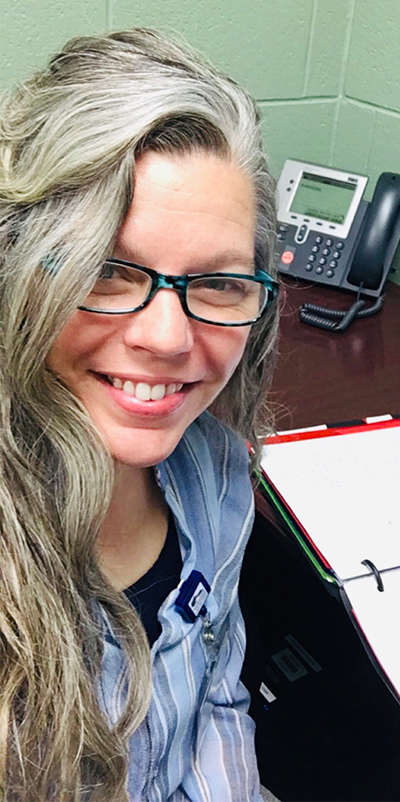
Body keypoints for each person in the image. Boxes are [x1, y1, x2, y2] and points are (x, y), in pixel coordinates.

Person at [0, 28, 279, 801]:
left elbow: (216, 705)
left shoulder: (216, 476)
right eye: (106, 270)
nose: (165, 338)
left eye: (220, 283)